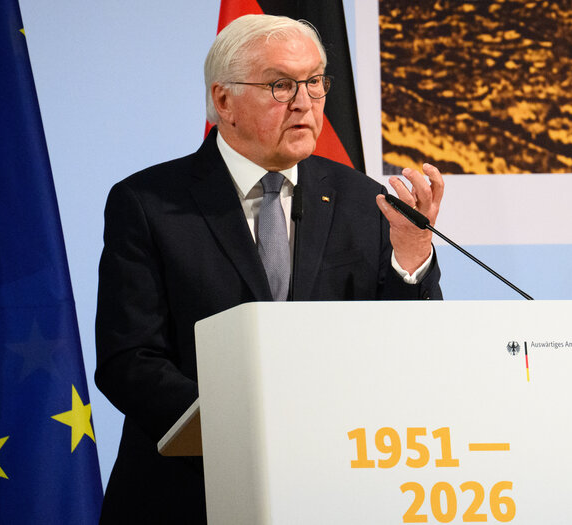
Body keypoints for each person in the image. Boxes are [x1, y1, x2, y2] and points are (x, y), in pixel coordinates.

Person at [94, 14, 444, 523]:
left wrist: (411, 255)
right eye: (281, 85)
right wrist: (239, 428)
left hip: (330, 492)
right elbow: (129, 358)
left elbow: (405, 348)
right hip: (189, 493)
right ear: (224, 101)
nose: (304, 102)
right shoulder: (149, 204)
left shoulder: (363, 199)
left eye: (315, 82)